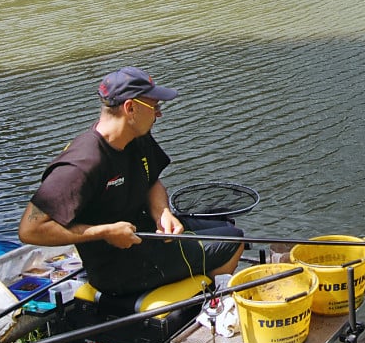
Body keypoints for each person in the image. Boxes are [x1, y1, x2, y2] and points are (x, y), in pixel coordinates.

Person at [18, 66, 244, 296]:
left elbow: (152, 181)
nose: (159, 114)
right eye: (155, 106)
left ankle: (198, 287)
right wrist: (104, 232)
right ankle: (209, 305)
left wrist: (162, 213)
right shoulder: (80, 165)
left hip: (146, 234)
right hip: (119, 267)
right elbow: (30, 230)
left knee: (227, 227)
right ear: (131, 108)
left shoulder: (136, 136)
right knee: (233, 241)